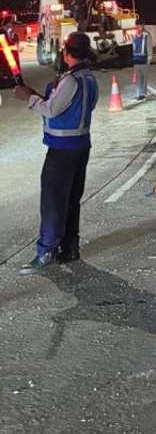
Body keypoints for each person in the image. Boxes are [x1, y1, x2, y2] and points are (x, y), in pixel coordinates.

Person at [13, 32, 99, 275]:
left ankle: (47, 251)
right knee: (71, 199)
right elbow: (72, 108)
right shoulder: (89, 78)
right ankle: (70, 248)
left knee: (52, 202)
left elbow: (51, 111)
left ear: (66, 52)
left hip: (62, 151)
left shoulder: (70, 80)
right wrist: (37, 95)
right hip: (81, 147)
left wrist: (28, 98)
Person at [132, 20, 153, 101]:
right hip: (136, 60)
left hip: (144, 61)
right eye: (136, 26)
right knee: (138, 78)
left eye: (139, 26)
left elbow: (149, 48)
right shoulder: (134, 35)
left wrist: (149, 60)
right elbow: (133, 48)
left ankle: (142, 94)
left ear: (143, 26)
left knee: (144, 78)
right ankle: (138, 94)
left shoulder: (147, 35)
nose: (137, 27)